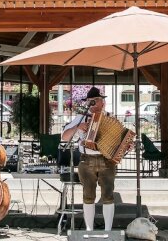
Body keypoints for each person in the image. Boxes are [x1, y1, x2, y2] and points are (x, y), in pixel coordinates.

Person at [61, 86, 115, 231]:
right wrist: (79, 127)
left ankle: (108, 231)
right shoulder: (81, 118)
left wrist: (123, 146)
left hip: (107, 160)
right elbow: (64, 137)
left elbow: (120, 140)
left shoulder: (110, 118)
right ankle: (89, 230)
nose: (93, 104)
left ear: (102, 103)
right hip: (86, 160)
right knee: (88, 195)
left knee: (108, 195)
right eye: (90, 101)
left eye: (96, 101)